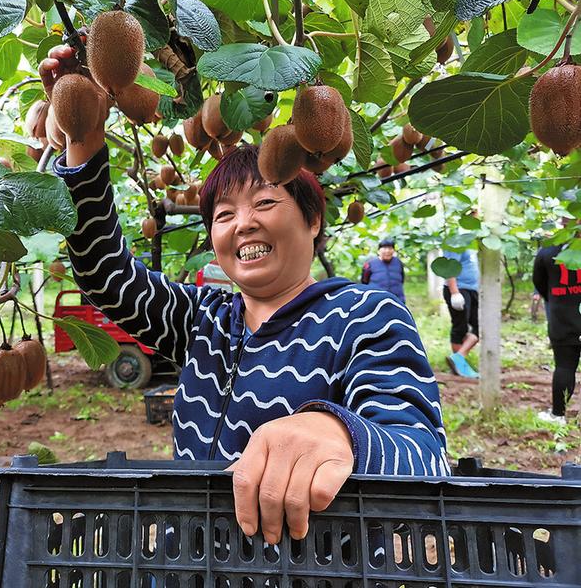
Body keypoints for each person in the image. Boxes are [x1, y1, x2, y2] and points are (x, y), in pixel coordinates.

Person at [40, 45, 450, 545]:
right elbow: (108, 278)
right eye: (224, 215)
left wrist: (340, 432)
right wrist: (82, 130)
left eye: (265, 201)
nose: (244, 224)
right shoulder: (203, 319)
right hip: (188, 563)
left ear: (312, 219)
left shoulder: (364, 315)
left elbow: (423, 454)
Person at [533, 242, 581, 424]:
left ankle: (558, 414)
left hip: (562, 316)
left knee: (565, 366)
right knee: (564, 367)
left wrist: (557, 298)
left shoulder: (548, 250)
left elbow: (539, 281)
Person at [443, 249, 480, 378]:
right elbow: (449, 267)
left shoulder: (471, 241)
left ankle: (458, 358)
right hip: (459, 289)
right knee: (460, 327)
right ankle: (460, 367)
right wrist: (454, 292)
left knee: (480, 326)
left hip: (472, 290)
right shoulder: (456, 241)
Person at [360, 238, 405, 303]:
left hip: (397, 299)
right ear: (378, 251)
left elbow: (402, 279)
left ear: (393, 250)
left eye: (390, 248)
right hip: (376, 300)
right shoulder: (370, 264)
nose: (387, 251)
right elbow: (364, 281)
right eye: (384, 248)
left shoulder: (398, 262)